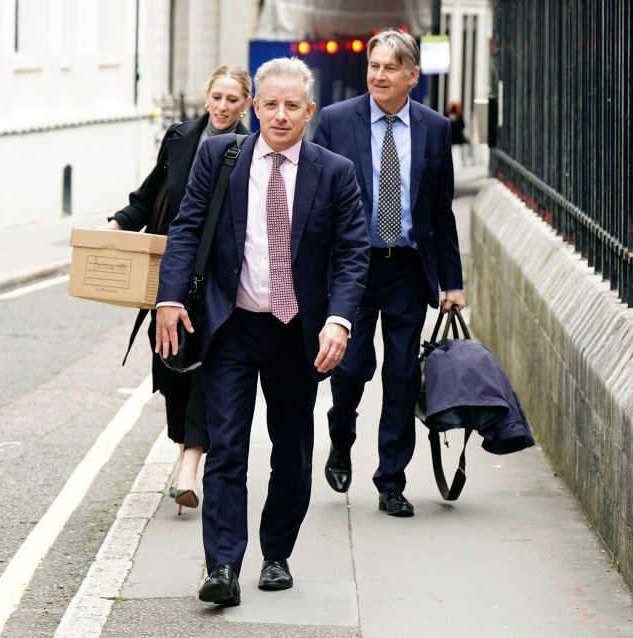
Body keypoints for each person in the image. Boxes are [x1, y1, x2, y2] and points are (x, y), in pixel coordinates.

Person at [155, 57, 370, 606]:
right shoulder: (219, 157)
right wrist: (170, 298)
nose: (279, 115)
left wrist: (339, 321)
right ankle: (223, 565)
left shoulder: (334, 172)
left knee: (293, 451)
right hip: (232, 326)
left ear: (309, 112)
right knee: (226, 447)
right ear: (256, 107)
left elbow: (351, 255)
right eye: (269, 104)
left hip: (297, 332)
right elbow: (185, 228)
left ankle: (276, 553)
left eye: (291, 106)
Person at [312, 29, 465, 517]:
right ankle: (341, 436)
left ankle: (390, 481)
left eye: (390, 68)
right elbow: (314, 203)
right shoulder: (336, 122)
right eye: (374, 66)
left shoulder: (435, 129)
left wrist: (453, 283)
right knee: (350, 366)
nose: (379, 75)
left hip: (405, 268)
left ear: (412, 77)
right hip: (352, 268)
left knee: (401, 377)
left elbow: (441, 212)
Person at [104, 66, 252, 514]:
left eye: (233, 99)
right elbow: (149, 196)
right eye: (218, 97)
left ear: (246, 104)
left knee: (209, 367)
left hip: (221, 282)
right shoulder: (180, 137)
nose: (224, 106)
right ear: (207, 96)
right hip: (172, 276)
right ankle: (185, 448)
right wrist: (114, 227)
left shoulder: (250, 148)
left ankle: (189, 463)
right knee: (172, 368)